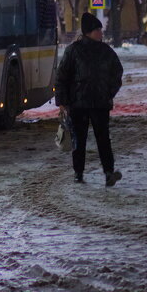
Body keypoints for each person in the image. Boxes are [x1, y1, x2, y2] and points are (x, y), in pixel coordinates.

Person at [56, 12, 124, 186]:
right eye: (97, 30)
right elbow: (62, 76)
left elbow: (117, 73)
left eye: (101, 30)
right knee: (79, 139)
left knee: (103, 139)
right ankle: (78, 172)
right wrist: (63, 101)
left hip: (100, 103)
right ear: (88, 32)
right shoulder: (74, 50)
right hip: (78, 104)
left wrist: (109, 92)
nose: (101, 33)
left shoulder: (105, 51)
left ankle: (109, 172)